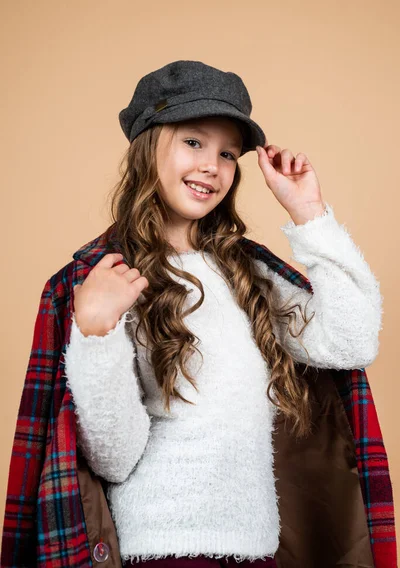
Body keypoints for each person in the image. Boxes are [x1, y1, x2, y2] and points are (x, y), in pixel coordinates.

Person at [13, 60, 387, 567]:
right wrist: (95, 334)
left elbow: (351, 342)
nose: (213, 165)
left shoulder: (249, 273)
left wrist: (309, 213)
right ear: (148, 145)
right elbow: (113, 459)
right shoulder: (101, 282)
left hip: (256, 552)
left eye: (228, 153)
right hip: (161, 553)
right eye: (194, 142)